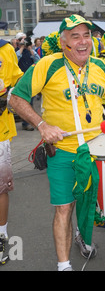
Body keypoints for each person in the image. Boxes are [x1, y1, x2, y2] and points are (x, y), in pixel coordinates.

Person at [9, 14, 105, 271]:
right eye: (75, 36)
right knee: (64, 208)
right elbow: (16, 98)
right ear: (63, 41)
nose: (82, 41)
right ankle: (63, 265)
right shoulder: (47, 65)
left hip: (96, 150)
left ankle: (82, 237)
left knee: (89, 202)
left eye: (86, 35)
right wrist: (42, 125)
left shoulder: (100, 67)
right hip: (63, 152)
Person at [0, 39, 24, 265]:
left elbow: (18, 80)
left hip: (0, 131)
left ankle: (2, 234)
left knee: (0, 188)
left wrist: (8, 96)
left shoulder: (5, 49)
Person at [15, 32, 40, 131]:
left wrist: (30, 49)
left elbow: (38, 61)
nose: (24, 41)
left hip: (30, 79)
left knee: (30, 102)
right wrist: (21, 47)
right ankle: (26, 123)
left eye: (25, 39)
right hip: (20, 80)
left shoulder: (31, 51)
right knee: (24, 102)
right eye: (22, 39)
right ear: (17, 41)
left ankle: (31, 122)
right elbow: (15, 60)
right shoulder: (15, 51)